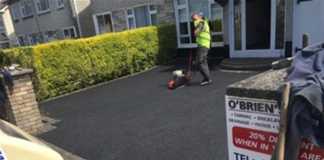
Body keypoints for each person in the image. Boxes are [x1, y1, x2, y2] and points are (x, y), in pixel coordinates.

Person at [192, 12, 212, 86]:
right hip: (202, 45)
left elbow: (196, 33)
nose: (193, 18)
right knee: (202, 62)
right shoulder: (203, 22)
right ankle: (207, 78)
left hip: (203, 45)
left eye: (195, 16)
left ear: (199, 16)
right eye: (193, 18)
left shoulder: (201, 22)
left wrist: (195, 32)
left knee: (200, 62)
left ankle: (207, 78)